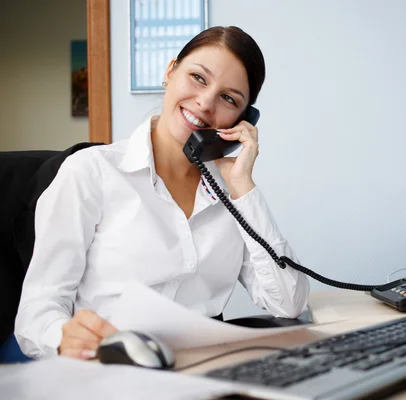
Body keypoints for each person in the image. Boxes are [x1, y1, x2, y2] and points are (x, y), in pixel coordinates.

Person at [14, 26, 310, 360]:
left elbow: (288, 302)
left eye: (229, 98)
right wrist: (63, 337)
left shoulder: (231, 194)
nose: (205, 102)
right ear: (170, 72)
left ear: (243, 119)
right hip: (105, 372)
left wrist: (243, 185)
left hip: (201, 373)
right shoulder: (91, 172)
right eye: (198, 77)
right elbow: (35, 315)